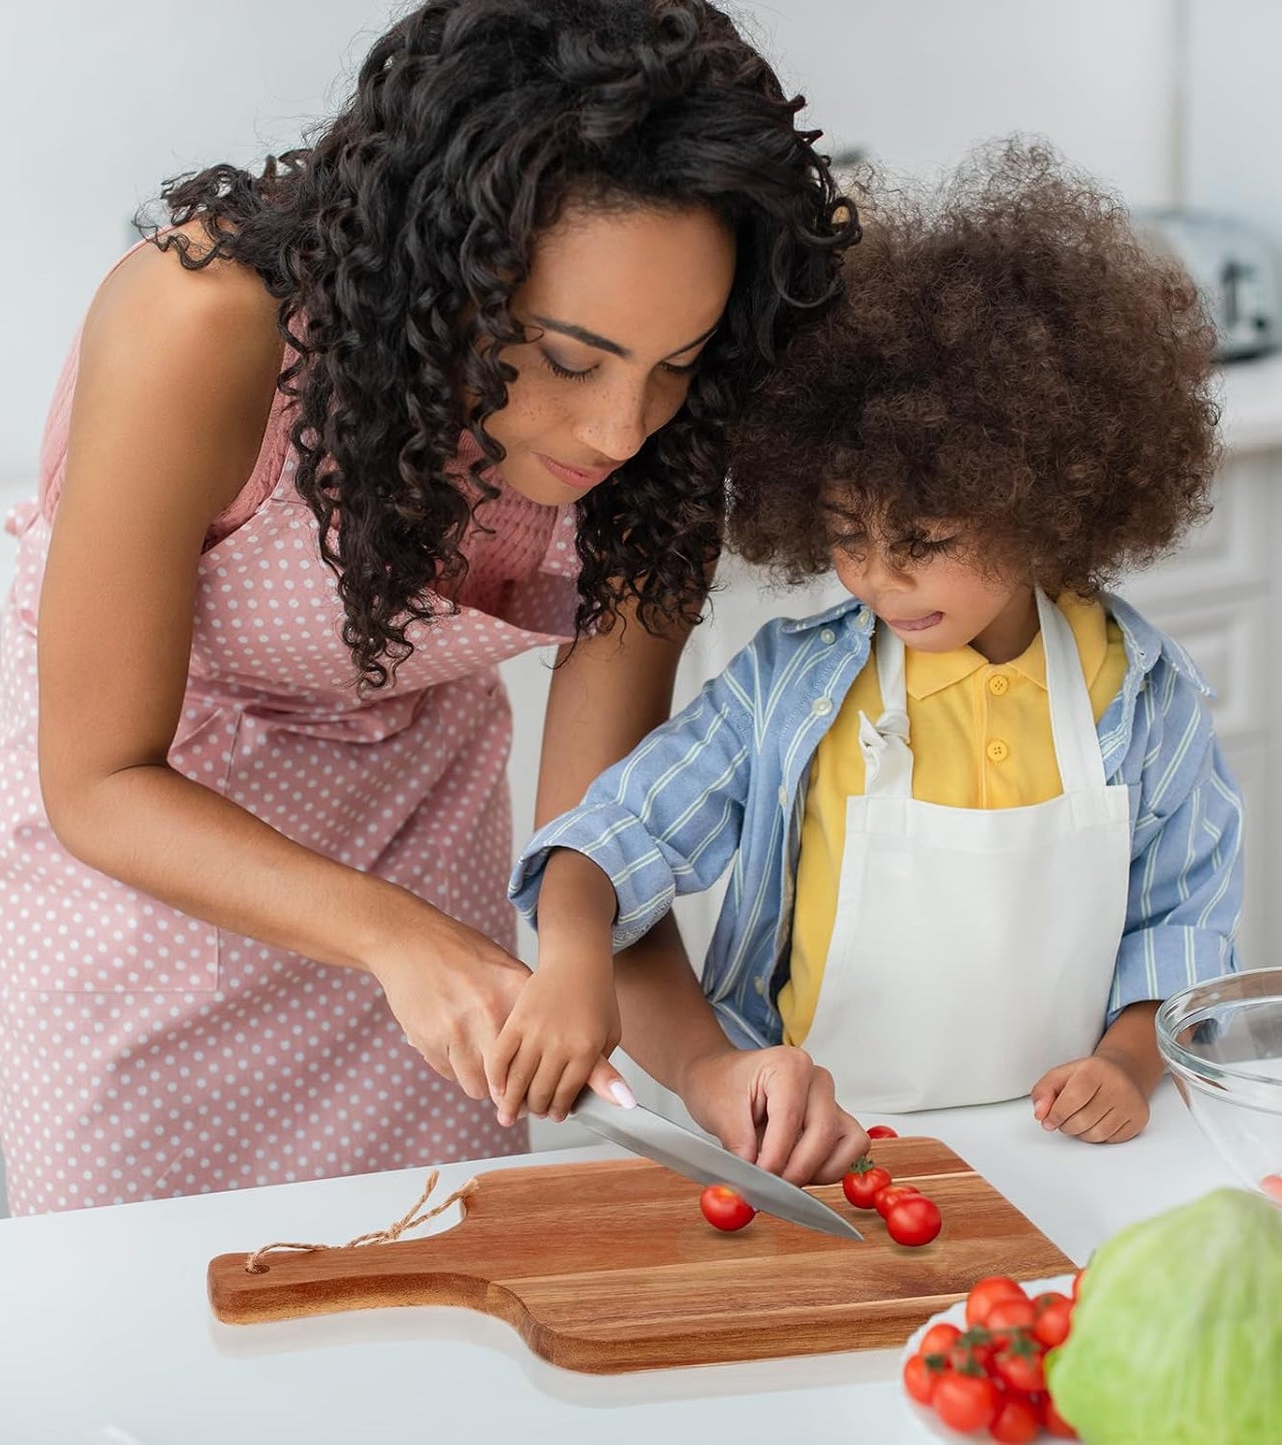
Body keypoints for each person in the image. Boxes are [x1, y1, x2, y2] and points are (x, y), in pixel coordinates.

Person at [0, 0, 863, 1214]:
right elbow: (98, 780)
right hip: (141, 893)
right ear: (438, 277)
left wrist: (705, 1069)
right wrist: (398, 938)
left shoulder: (660, 438)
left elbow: (596, 845)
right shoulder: (204, 328)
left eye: (676, 360)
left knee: (421, 1303)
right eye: (565, 357)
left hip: (421, 861)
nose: (618, 425)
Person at [509, 143, 1243, 1154]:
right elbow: (613, 830)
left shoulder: (1141, 699)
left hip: (1061, 1147)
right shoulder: (789, 687)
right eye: (846, 532)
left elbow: (1180, 926)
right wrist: (570, 947)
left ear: (1047, 505)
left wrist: (1124, 1063)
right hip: (826, 1149)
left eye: (925, 543)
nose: (876, 578)